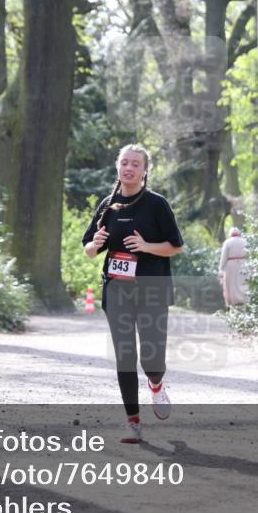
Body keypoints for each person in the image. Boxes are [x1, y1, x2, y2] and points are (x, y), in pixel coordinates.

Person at [82, 144, 184, 444]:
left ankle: (156, 384)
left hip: (152, 289)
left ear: (144, 170)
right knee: (125, 356)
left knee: (152, 360)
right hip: (117, 290)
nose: (129, 168)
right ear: (118, 166)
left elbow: (176, 246)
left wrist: (147, 247)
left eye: (135, 164)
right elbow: (89, 250)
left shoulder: (156, 204)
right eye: (124, 163)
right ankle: (133, 423)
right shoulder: (108, 205)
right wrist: (95, 243)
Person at [219, 227, 248, 306]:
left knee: (231, 285)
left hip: (231, 266)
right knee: (242, 283)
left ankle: (232, 302)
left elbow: (224, 257)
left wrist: (221, 268)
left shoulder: (228, 242)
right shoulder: (245, 241)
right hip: (243, 265)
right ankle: (243, 301)